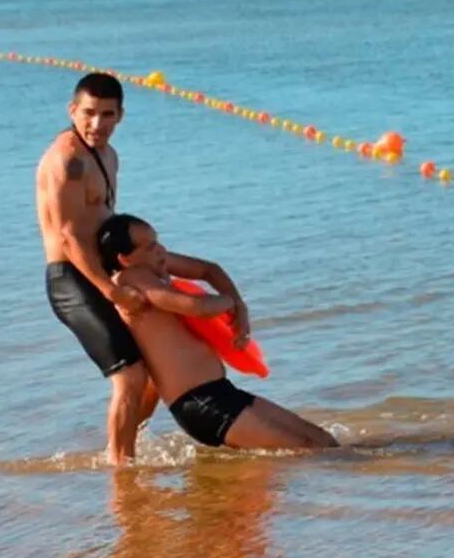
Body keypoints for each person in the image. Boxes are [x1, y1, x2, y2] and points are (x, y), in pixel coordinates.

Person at [36, 72, 251, 465]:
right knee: (130, 377)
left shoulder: (108, 156)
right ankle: (122, 471)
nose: (97, 124)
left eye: (107, 114)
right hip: (74, 280)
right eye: (88, 113)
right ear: (72, 111)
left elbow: (104, 223)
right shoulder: (68, 161)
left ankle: (127, 447)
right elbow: (68, 235)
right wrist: (111, 290)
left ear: (120, 116)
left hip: (104, 273)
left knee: (152, 372)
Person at [97, 213, 338, 451]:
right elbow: (197, 307)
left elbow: (209, 270)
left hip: (221, 391)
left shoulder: (152, 266)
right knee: (308, 451)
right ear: (125, 259)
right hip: (200, 404)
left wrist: (240, 307)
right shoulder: (132, 279)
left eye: (158, 241)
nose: (161, 250)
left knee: (324, 442)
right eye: (151, 246)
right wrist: (229, 303)